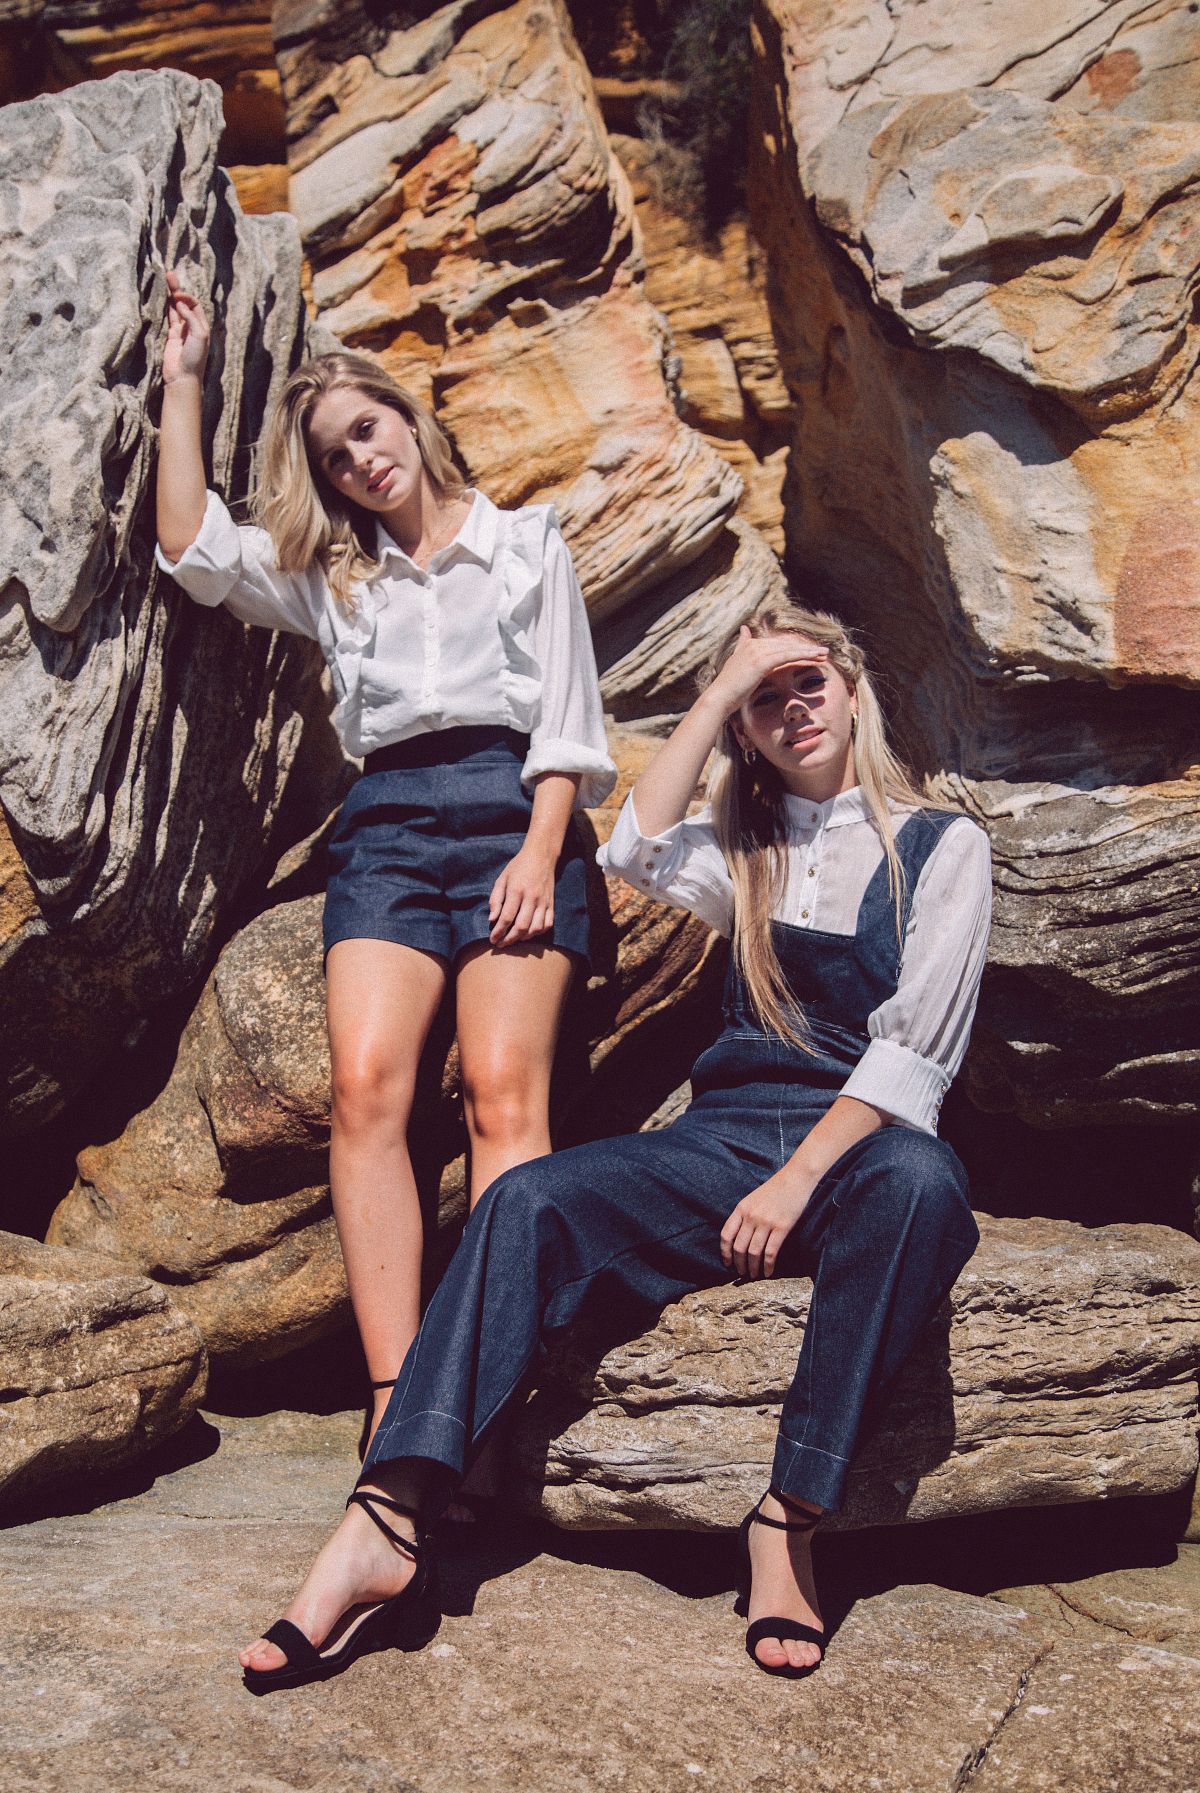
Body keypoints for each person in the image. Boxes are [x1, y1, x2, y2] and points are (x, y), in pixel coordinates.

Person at [237, 599, 992, 1691]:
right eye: (767, 701)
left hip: (861, 1148)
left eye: (810, 683)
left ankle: (788, 1520)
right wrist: (719, 691)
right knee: (528, 1198)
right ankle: (386, 1519)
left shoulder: (944, 844)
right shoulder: (749, 846)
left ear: (854, 691)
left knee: (923, 1184)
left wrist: (794, 1183)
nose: (793, 710)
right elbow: (636, 842)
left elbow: (916, 1054)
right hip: (725, 1138)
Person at [156, 271, 616, 1457]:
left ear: (408, 417)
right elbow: (191, 546)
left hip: (516, 814)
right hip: (388, 832)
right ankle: (396, 1395)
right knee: (365, 1095)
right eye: (334, 456)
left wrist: (540, 852)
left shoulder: (526, 544)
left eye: (369, 428)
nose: (362, 460)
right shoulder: (333, 575)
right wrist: (184, 380)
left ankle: (495, 1389)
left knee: (504, 1099)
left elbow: (568, 724)